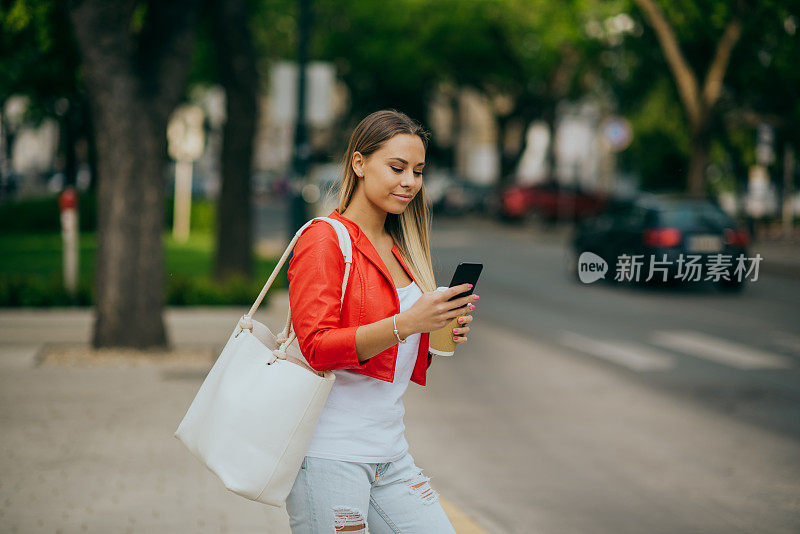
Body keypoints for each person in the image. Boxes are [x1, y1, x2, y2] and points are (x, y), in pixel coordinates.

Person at [285, 109, 479, 533]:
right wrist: (407, 323)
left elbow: (392, 367)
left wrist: (436, 333)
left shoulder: (403, 248)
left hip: (390, 454)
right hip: (328, 455)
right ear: (359, 163)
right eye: (397, 167)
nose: (410, 181)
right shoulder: (324, 239)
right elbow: (316, 347)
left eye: (418, 170)